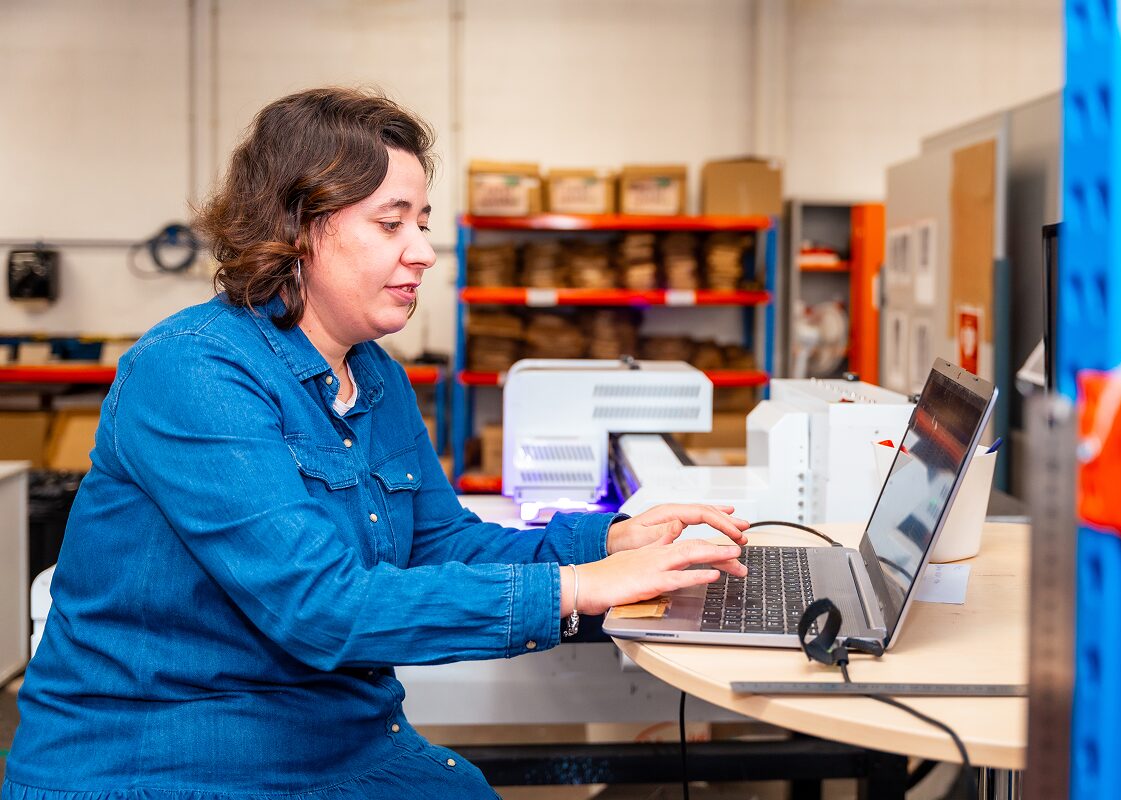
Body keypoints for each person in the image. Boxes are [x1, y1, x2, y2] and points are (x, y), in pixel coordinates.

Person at [2, 87, 749, 800]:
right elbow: (317, 604)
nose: (424, 251)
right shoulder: (191, 372)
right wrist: (575, 590)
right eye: (392, 224)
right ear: (297, 227)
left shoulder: (372, 372)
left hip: (337, 743)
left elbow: (439, 542)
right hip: (170, 760)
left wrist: (606, 544)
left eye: (423, 222)